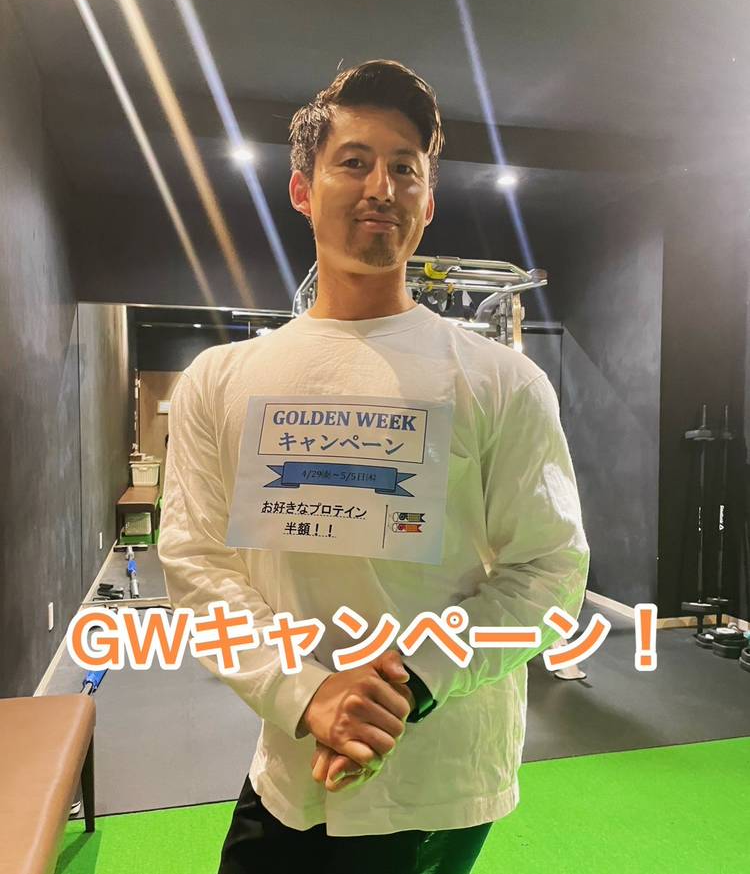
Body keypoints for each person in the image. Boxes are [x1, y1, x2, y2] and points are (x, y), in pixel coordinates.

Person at [158, 59, 590, 874]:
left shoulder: (502, 381)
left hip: (437, 780)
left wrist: (412, 680)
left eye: (404, 168)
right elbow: (197, 563)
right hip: (289, 763)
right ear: (302, 189)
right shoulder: (221, 378)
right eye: (353, 162)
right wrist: (307, 692)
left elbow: (550, 572)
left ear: (428, 201)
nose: (380, 188)